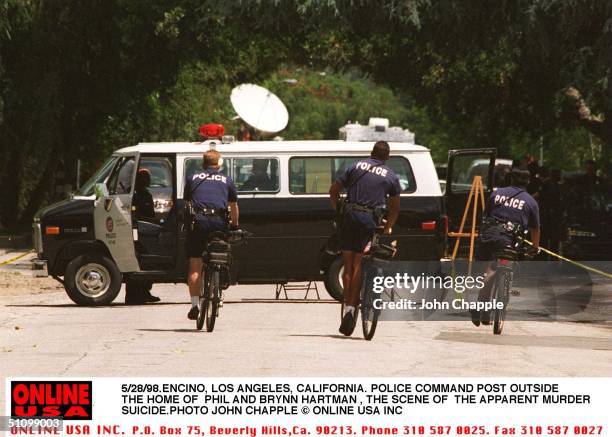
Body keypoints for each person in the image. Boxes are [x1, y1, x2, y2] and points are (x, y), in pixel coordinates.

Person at [329, 141, 401, 336]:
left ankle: (348, 309)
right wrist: (387, 228)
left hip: (349, 217)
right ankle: (353, 307)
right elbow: (394, 208)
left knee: (348, 263)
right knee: (359, 263)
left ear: (371, 153)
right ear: (387, 157)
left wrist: (337, 211)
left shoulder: (355, 166)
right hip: (368, 220)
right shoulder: (391, 176)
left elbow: (333, 190)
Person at [472, 170, 540, 326]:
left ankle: (480, 308)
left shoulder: (497, 193)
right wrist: (535, 246)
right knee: (504, 264)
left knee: (488, 269)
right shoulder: (530, 201)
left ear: (510, 179)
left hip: (488, 234)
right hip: (507, 239)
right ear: (528, 182)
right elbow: (535, 228)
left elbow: (485, 214)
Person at [184, 149, 239, 320]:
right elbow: (233, 207)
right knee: (221, 254)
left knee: (195, 266)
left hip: (198, 223)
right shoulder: (226, 180)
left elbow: (187, 202)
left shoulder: (192, 178)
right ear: (218, 164)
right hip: (218, 223)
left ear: (203, 163)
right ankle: (219, 291)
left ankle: (194, 305)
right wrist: (235, 226)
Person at [127, 168, 160, 304]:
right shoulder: (134, 195)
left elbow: (150, 214)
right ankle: (134, 295)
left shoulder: (146, 194)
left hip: (145, 229)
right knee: (140, 260)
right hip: (137, 230)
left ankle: (145, 292)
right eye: (144, 178)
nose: (148, 180)